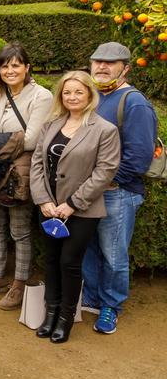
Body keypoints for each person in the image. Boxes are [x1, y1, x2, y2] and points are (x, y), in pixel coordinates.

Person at [30, 71, 121, 344]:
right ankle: (50, 312)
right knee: (50, 259)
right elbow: (37, 163)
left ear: (90, 95)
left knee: (69, 262)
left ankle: (66, 317)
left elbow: (105, 172)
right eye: (67, 92)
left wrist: (71, 204)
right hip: (48, 208)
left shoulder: (105, 130)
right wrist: (43, 200)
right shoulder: (52, 124)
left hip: (81, 211)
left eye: (78, 92)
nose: (72, 97)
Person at [0, 43, 53, 310]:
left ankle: (19, 283)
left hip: (19, 172)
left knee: (19, 229)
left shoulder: (41, 96)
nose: (10, 70)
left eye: (16, 65)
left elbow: (30, 140)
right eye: (5, 65)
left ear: (27, 67)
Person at [83, 41, 159, 334]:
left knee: (113, 254)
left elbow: (138, 158)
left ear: (125, 68)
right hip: (88, 192)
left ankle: (110, 307)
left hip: (118, 192)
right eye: (97, 61)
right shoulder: (92, 96)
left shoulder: (134, 102)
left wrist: (104, 183)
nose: (102, 67)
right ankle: (91, 297)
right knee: (89, 248)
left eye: (110, 63)